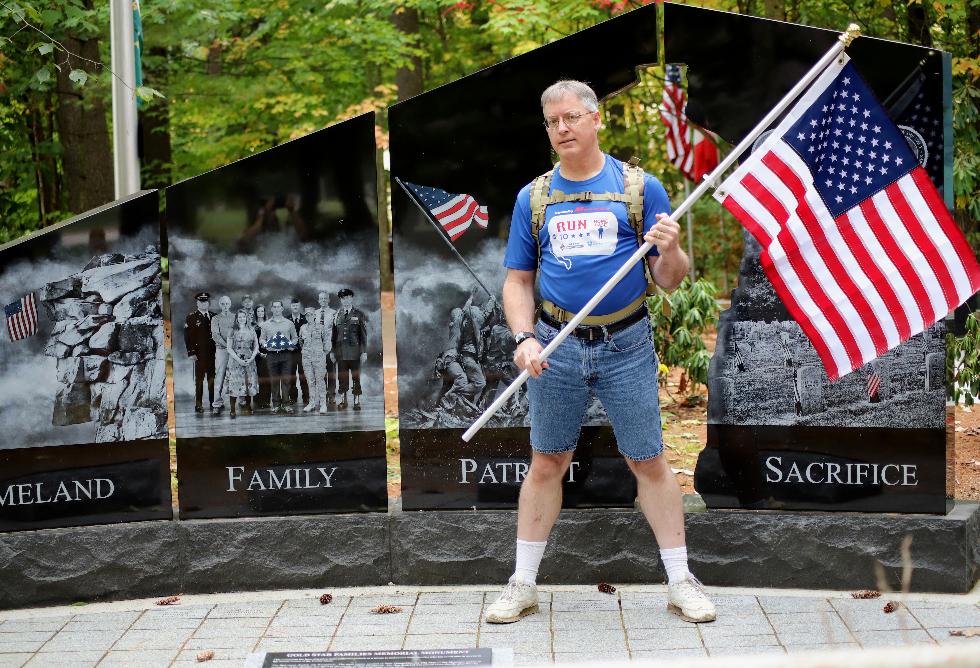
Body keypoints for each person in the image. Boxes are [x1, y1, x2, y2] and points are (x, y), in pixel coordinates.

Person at [485, 80, 715, 625]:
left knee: (648, 460)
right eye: (552, 122)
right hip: (555, 347)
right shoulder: (534, 197)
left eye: (571, 118)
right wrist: (524, 339)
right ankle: (522, 584)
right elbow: (518, 281)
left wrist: (673, 247)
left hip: (626, 344)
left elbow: (670, 280)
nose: (562, 129)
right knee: (547, 462)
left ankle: (681, 581)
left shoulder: (639, 188)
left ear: (594, 120)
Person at [331, 288, 367, 411]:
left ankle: (356, 401)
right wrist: (332, 352)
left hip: (355, 352)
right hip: (340, 352)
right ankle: (343, 400)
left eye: (347, 297)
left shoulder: (358, 314)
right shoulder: (337, 314)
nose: (345, 300)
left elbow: (363, 335)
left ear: (351, 298)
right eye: (342, 298)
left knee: (356, 377)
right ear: (340, 300)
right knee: (342, 377)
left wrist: (363, 352)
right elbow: (334, 335)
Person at [259, 300, 299, 413]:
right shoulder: (265, 324)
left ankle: (286, 404)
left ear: (282, 308)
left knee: (286, 380)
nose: (276, 309)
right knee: (274, 381)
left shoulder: (289, 323)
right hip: (271, 356)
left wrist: (292, 345)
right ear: (271, 309)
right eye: (274, 307)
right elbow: (261, 339)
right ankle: (276, 404)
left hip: (286, 355)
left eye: (278, 307)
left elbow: (295, 337)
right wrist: (264, 343)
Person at [223, 309, 260, 418]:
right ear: (236, 319)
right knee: (234, 385)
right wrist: (238, 360)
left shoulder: (251, 329)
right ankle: (233, 410)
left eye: (243, 317)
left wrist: (252, 358)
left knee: (248, 384)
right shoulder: (232, 330)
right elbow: (229, 348)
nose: (242, 319)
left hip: (249, 361)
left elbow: (256, 346)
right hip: (235, 361)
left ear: (246, 318)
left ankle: (248, 407)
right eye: (239, 317)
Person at [184, 292, 216, 414]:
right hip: (199, 354)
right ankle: (198, 405)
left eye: (206, 302)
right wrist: (191, 352)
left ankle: (213, 404)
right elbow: (187, 336)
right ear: (197, 303)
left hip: (213, 354)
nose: (204, 304)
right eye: (201, 302)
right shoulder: (191, 317)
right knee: (199, 380)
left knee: (212, 379)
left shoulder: (213, 316)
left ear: (208, 303)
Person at [298, 307, 329, 413]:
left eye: (311, 315)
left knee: (320, 380)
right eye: (307, 315)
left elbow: (326, 343)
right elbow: (301, 342)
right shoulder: (303, 328)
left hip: (319, 357)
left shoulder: (321, 327)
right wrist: (306, 351)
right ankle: (312, 403)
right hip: (306, 358)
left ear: (315, 315)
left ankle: (323, 404)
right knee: (310, 381)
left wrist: (321, 353)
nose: (309, 317)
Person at [210, 295, 235, 416]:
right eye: (223, 304)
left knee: (236, 375)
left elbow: (238, 332)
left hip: (235, 351)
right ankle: (217, 403)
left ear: (230, 304)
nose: (225, 306)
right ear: (220, 305)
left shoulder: (235, 317)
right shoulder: (215, 318)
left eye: (227, 304)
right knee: (220, 376)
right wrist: (227, 346)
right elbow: (215, 335)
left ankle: (240, 401)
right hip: (222, 350)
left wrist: (233, 347)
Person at [315, 291, 337, 410]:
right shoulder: (315, 313)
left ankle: (332, 395)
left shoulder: (334, 313)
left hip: (330, 347)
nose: (323, 300)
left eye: (325, 299)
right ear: (318, 300)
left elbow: (336, 332)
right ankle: (323, 395)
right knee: (320, 372)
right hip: (318, 348)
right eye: (321, 299)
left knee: (331, 372)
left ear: (328, 300)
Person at [287, 298, 309, 407]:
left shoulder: (306, 319)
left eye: (297, 305)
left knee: (303, 375)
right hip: (290, 353)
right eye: (293, 305)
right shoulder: (286, 319)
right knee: (291, 376)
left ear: (299, 306)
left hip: (302, 352)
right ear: (291, 307)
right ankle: (293, 398)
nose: (295, 307)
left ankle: (306, 397)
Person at [254, 304, 271, 409]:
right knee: (256, 377)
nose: (260, 313)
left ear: (265, 312)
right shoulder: (252, 325)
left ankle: (266, 400)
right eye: (258, 311)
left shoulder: (269, 324)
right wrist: (257, 352)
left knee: (266, 377)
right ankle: (258, 400)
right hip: (255, 353)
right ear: (256, 313)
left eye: (262, 311)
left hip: (266, 353)